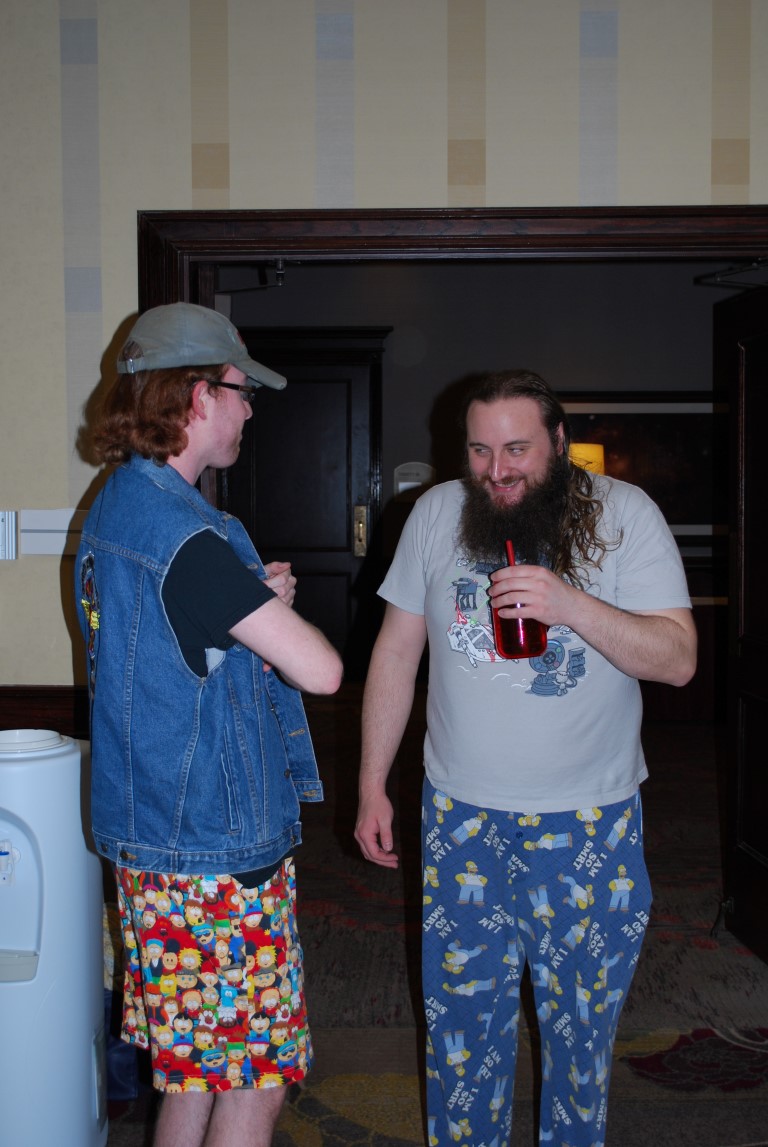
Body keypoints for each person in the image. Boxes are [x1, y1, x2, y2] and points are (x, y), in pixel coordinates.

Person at [355, 369, 696, 1147]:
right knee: (461, 1037)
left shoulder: (624, 515)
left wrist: (569, 603)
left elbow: (678, 658)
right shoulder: (436, 513)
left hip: (589, 823)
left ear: (559, 443)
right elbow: (397, 652)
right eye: (480, 450)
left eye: (516, 449)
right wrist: (372, 781)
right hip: (460, 819)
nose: (497, 470)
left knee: (580, 1042)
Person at [76, 302, 343, 1147]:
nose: (249, 409)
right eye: (241, 391)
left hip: (158, 847)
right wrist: (263, 608)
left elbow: (166, 656)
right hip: (215, 859)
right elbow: (322, 670)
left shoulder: (116, 509)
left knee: (194, 1076)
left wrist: (243, 608)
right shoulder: (186, 536)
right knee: (256, 1083)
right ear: (197, 395)